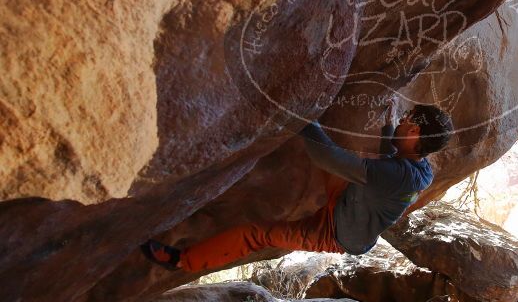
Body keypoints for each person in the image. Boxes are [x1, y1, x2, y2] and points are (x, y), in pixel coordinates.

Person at [141, 102, 454, 272]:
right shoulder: (419, 167)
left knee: (258, 234)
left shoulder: (399, 175)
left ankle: (183, 261)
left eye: (405, 120)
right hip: (350, 202)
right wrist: (388, 126)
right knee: (347, 161)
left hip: (336, 232)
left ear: (413, 131)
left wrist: (302, 115)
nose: (401, 121)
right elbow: (390, 159)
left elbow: (324, 155)